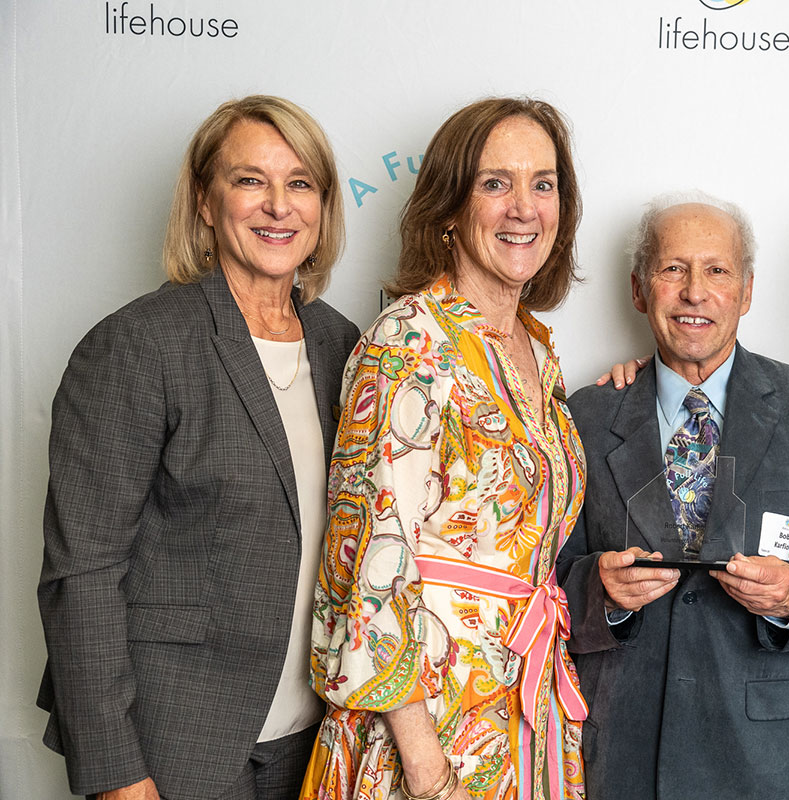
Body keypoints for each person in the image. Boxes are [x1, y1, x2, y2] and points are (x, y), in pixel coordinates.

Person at [36, 95, 360, 800]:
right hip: (176, 743)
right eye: (250, 180)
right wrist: (119, 775)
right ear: (206, 203)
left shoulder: (347, 347)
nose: (278, 205)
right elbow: (82, 574)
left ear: (323, 208)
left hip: (314, 749)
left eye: (300, 183)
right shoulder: (137, 345)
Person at [303, 97, 587, 800]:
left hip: (524, 712)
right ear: (450, 209)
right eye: (496, 183)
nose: (524, 207)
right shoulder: (408, 341)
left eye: (543, 183)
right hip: (428, 733)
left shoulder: (539, 351)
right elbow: (367, 567)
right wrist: (427, 774)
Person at [556, 194, 789, 800]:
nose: (694, 292)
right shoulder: (585, 416)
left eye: (717, 271)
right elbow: (545, 582)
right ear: (638, 289)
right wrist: (602, 589)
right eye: (672, 268)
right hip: (624, 750)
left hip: (772, 758)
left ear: (747, 291)